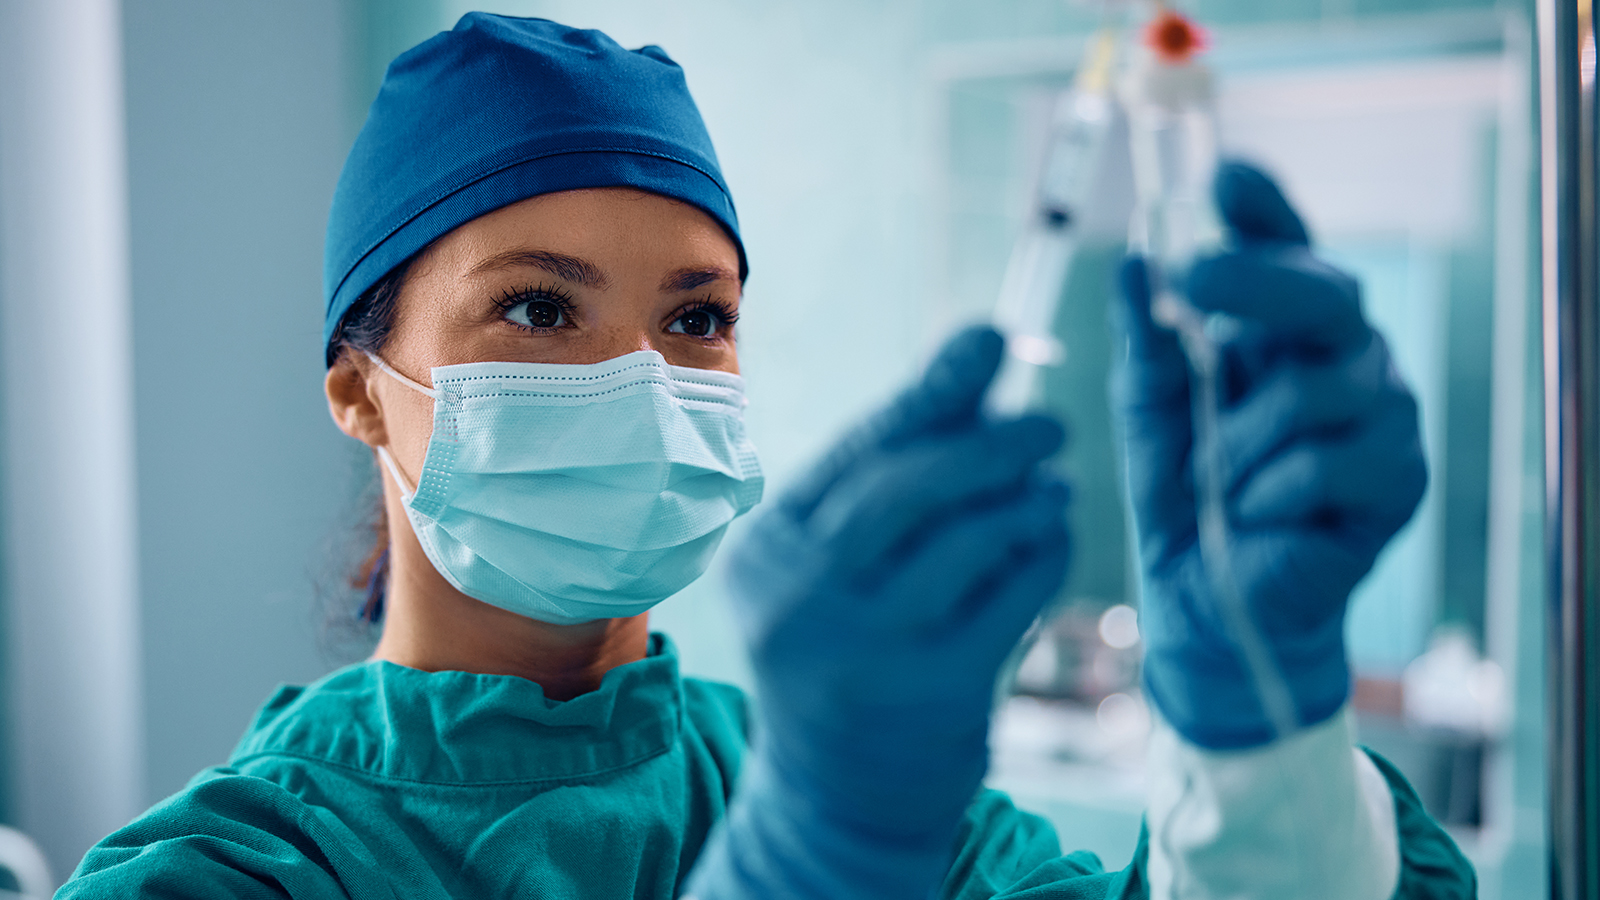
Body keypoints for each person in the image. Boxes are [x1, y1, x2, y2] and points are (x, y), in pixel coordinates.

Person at [58, 14, 1474, 900]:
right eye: (539, 308)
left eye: (697, 318)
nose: (641, 378)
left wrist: (1261, 734)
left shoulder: (906, 816)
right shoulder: (242, 872)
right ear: (360, 392)